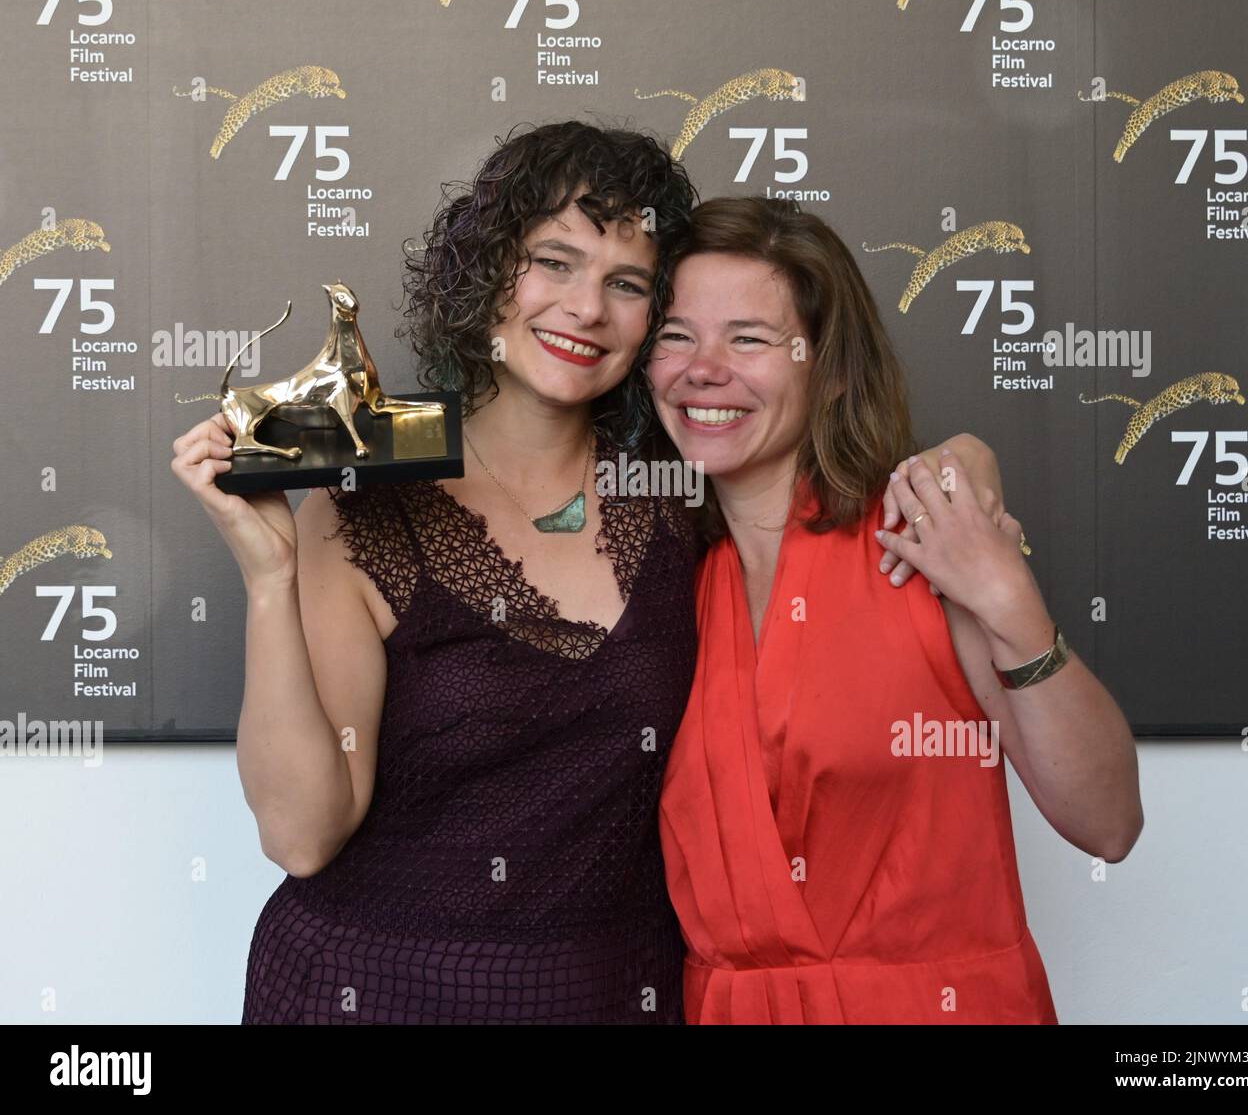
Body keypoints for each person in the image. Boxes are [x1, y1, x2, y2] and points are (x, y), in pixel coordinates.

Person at [169, 121, 1000, 1023]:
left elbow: (853, 476)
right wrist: (267, 580)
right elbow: (301, 835)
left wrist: (964, 463)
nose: (586, 308)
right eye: (553, 263)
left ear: (658, 321)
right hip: (372, 991)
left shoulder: (687, 493)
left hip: (616, 993)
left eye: (627, 283)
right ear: (486, 274)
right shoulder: (366, 508)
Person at [648, 196, 1143, 1025]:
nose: (704, 368)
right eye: (675, 335)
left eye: (750, 338)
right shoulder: (664, 580)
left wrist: (1006, 598)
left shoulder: (916, 540)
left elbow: (1109, 824)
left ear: (829, 367)